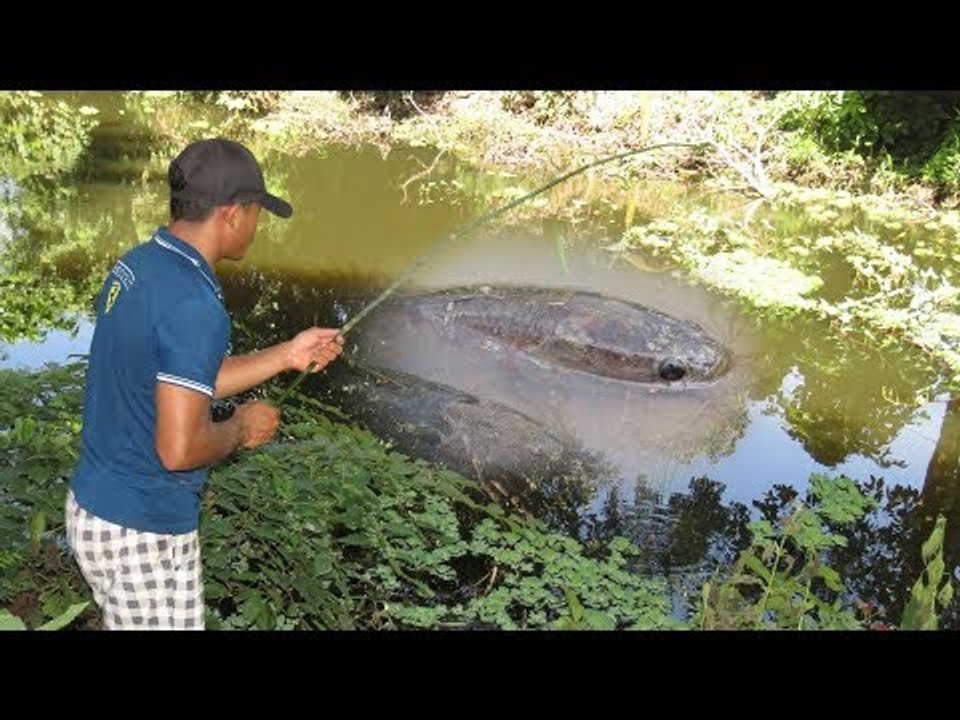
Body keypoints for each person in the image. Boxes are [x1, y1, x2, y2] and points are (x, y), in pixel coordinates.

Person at [65, 137, 344, 630]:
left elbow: (183, 378)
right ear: (233, 215)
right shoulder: (193, 304)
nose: (257, 226)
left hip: (99, 504)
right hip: (142, 531)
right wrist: (242, 427)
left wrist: (286, 355)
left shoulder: (143, 263)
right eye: (256, 213)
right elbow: (180, 449)